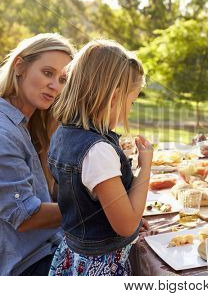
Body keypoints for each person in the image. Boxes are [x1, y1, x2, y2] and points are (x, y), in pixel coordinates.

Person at [48, 40, 152, 275]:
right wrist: (145, 168)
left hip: (73, 255)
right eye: (132, 101)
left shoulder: (62, 134)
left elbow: (80, 201)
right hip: (100, 267)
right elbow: (126, 226)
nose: (131, 108)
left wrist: (129, 214)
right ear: (114, 97)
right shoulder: (98, 151)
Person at [0, 33, 74, 275]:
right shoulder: (4, 132)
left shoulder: (30, 124)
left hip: (50, 246)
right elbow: (25, 216)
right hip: (26, 266)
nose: (55, 86)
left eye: (62, 79)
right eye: (47, 73)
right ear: (19, 66)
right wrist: (100, 209)